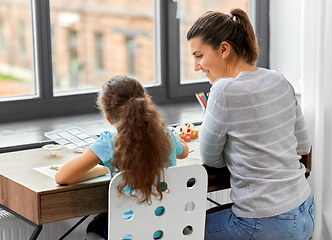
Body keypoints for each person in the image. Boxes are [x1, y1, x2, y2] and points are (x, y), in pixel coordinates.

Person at [187, 8, 316, 240]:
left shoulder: (223, 90)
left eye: (198, 55)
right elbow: (303, 145)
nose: (196, 66)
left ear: (224, 49)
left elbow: (209, 157)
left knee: (181, 230)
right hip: (306, 211)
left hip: (265, 223)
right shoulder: (278, 79)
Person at [55, 75, 189, 240]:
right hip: (165, 230)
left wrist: (102, 169)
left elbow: (62, 176)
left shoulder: (109, 143)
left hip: (129, 234)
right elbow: (184, 152)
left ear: (109, 118)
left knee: (96, 224)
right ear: (146, 107)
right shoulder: (166, 134)